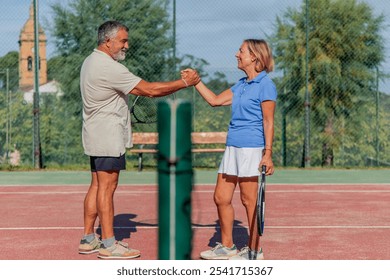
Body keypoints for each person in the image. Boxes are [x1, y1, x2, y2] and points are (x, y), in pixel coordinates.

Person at [78, 20, 200, 259]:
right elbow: (151, 90)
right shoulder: (108, 67)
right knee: (107, 188)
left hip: (95, 133)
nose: (126, 45)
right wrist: (186, 83)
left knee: (96, 185)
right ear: (108, 41)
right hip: (107, 136)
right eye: (122, 40)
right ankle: (109, 245)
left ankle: (88, 238)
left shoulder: (90, 61)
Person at [183, 39, 276, 260]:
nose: (236, 54)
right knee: (220, 197)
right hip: (232, 147)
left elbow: (268, 121)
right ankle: (227, 246)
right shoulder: (241, 84)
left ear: (254, 56)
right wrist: (196, 81)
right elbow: (214, 101)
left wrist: (268, 154)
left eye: (241, 51)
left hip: (251, 148)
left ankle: (254, 251)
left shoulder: (265, 84)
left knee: (248, 199)